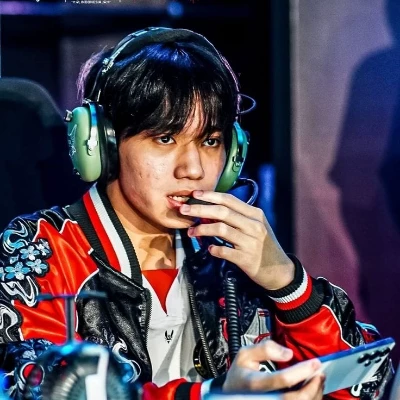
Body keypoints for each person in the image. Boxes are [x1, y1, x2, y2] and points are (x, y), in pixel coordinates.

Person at [0, 27, 392, 400]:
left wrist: (288, 286)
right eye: (165, 138)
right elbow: (41, 388)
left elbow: (367, 383)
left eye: (210, 141)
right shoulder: (40, 252)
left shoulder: (231, 258)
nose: (193, 169)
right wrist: (211, 395)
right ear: (103, 144)